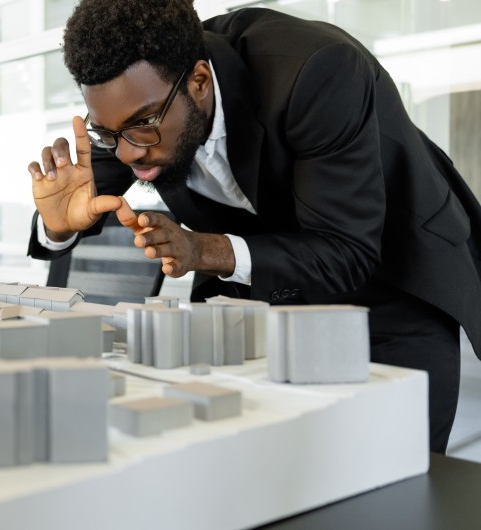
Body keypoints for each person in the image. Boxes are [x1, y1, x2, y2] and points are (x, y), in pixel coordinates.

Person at [26, 0, 481, 453]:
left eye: (141, 127)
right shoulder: (133, 110)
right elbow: (86, 195)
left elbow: (346, 251)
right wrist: (58, 226)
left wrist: (203, 250)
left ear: (199, 83)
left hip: (389, 284)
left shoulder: (314, 70)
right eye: (108, 133)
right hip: (261, 299)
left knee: (391, 477)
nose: (126, 153)